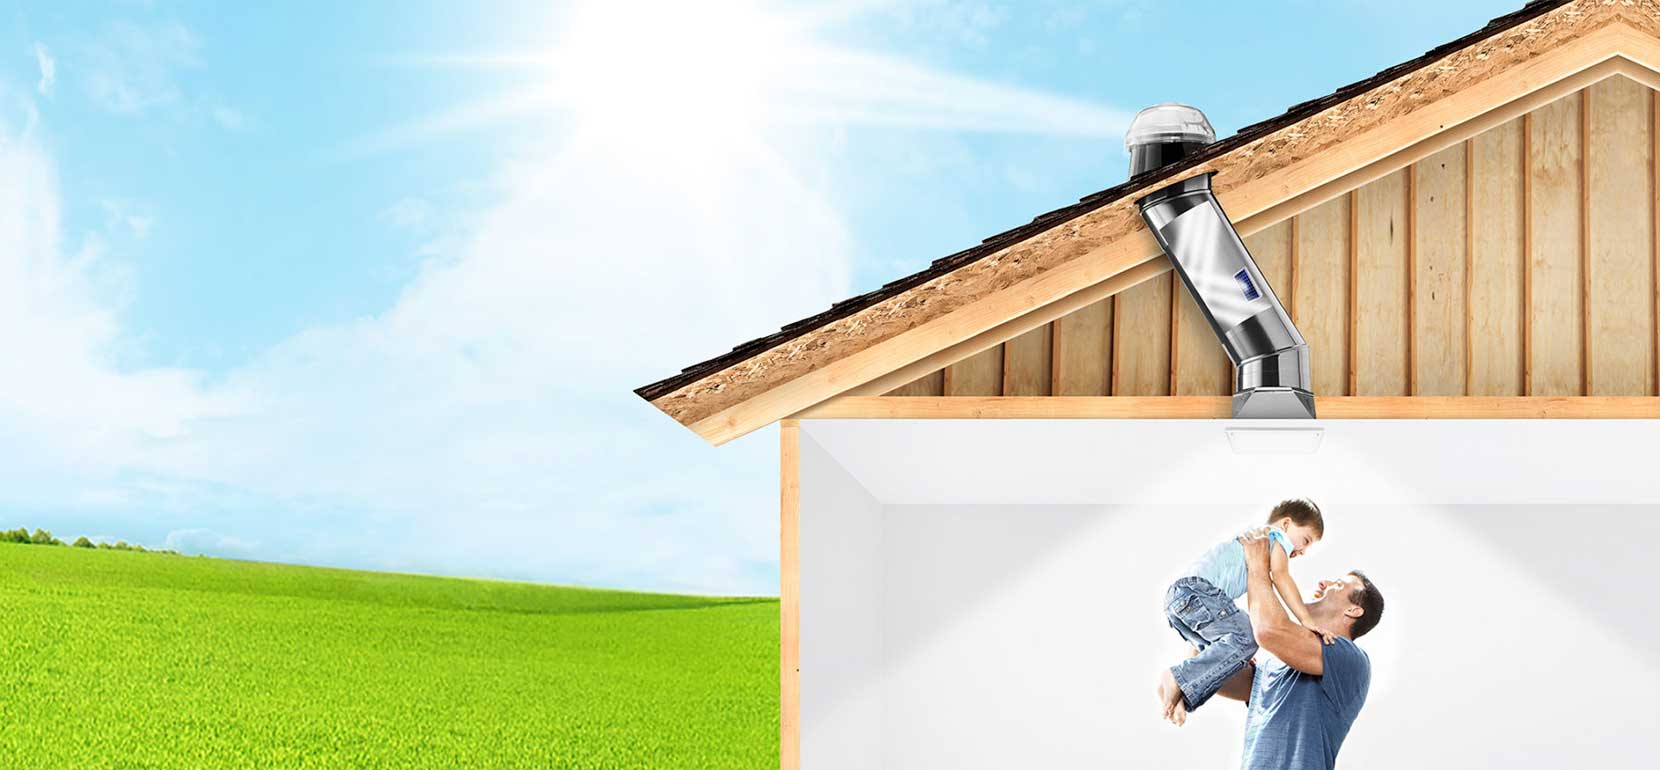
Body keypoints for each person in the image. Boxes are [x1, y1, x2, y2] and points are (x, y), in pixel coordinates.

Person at [1211, 528, 1385, 770]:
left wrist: (1258, 565)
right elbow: (1215, 675)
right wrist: (1207, 604)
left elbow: (1269, 630)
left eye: (1339, 584)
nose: (1325, 583)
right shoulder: (1274, 665)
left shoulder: (1350, 659)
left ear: (1353, 610)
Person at [1158, 499, 1329, 725]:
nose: (1303, 551)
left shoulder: (1255, 539)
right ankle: (1176, 677)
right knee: (1247, 636)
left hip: (1178, 600)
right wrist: (1305, 619)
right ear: (1286, 524)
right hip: (1197, 591)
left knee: (1218, 654)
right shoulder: (1275, 537)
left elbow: (1257, 597)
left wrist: (1238, 652)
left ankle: (1179, 693)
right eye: (1305, 540)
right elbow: (1280, 576)